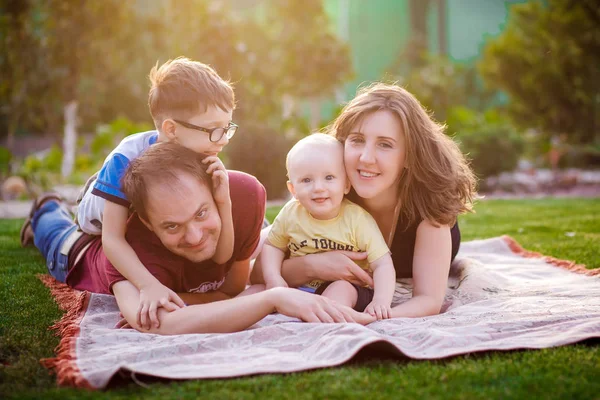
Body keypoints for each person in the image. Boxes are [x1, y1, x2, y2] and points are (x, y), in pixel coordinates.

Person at [21, 143, 373, 334]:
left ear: (215, 189)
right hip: (78, 254)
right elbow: (159, 324)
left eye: (202, 213)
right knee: (55, 233)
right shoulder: (131, 249)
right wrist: (274, 297)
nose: (193, 236)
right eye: (172, 226)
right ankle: (46, 207)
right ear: (145, 220)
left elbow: (233, 287)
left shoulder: (245, 196)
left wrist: (303, 267)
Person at [252, 83, 477, 318]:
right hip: (299, 242)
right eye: (357, 140)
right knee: (264, 240)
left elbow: (428, 301)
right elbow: (257, 274)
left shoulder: (430, 206)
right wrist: (315, 265)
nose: (366, 158)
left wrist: (369, 319)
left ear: (409, 155)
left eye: (385, 144)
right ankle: (261, 227)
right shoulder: (332, 190)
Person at [77, 57, 237, 327]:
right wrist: (147, 285)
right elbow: (113, 239)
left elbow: (221, 253)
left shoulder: (199, 151)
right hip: (96, 215)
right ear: (171, 129)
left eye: (227, 128)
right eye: (213, 130)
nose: (222, 139)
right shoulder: (125, 161)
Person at [261, 134, 396, 320]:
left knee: (339, 290)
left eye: (329, 177)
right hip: (301, 288)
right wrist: (273, 278)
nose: (318, 187)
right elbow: (272, 246)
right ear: (293, 190)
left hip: (350, 287)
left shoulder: (357, 220)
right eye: (307, 180)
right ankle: (226, 322)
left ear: (346, 184)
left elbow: (382, 264)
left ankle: (335, 320)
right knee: (258, 292)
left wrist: (381, 300)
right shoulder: (291, 213)